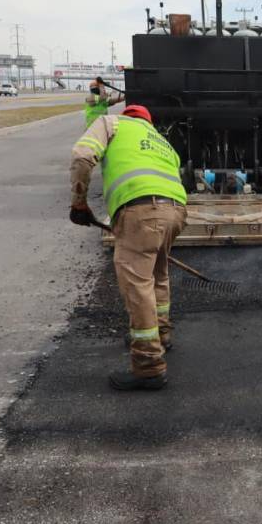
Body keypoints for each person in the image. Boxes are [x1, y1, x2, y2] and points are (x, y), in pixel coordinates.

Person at [69, 104, 188, 390]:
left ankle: (148, 366)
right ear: (148, 121)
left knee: (137, 283)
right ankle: (161, 333)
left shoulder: (113, 124)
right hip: (176, 211)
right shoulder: (161, 141)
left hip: (141, 210)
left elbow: (82, 156)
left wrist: (79, 203)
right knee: (157, 274)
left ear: (126, 116)